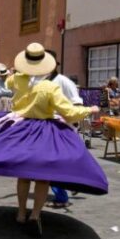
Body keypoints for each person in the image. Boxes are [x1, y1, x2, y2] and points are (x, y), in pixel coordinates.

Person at [0, 43, 108, 236]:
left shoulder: (18, 79)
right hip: (44, 131)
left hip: (20, 128)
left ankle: (20, 213)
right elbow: (69, 113)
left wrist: (16, 72)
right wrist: (90, 109)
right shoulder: (50, 87)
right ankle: (35, 215)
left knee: (24, 173)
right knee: (43, 176)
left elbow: (9, 81)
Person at [47, 49, 83, 209]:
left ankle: (63, 195)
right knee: (53, 163)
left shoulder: (63, 81)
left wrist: (70, 121)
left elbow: (77, 103)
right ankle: (73, 182)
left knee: (53, 163)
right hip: (46, 126)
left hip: (61, 127)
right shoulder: (39, 81)